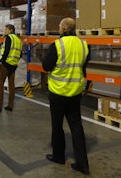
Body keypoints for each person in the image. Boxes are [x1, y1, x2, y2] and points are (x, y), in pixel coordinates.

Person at [42, 17, 90, 175]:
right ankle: (83, 163)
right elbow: (83, 66)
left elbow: (46, 65)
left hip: (58, 92)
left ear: (63, 28)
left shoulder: (57, 45)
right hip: (75, 92)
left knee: (57, 126)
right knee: (76, 127)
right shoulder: (83, 45)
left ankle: (59, 156)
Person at [0, 24, 22, 112]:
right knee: (11, 86)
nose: (5, 31)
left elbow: (6, 50)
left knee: (0, 84)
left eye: (6, 29)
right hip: (13, 65)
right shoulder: (18, 40)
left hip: (6, 64)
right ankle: (10, 105)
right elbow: (20, 53)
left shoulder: (9, 38)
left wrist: (1, 61)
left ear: (11, 30)